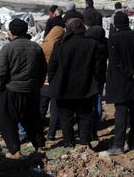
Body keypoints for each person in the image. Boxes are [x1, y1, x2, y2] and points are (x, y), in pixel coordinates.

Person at [47, 19, 104, 147]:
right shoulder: (92, 44)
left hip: (63, 87)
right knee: (84, 116)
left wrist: (53, 82)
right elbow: (98, 68)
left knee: (65, 117)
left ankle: (69, 143)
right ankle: (84, 143)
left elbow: (52, 67)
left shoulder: (60, 44)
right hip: (86, 87)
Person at [0, 19, 46, 158]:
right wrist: (37, 86)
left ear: (11, 32)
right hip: (31, 91)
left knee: (8, 122)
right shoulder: (36, 47)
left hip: (11, 91)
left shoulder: (8, 48)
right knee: (33, 121)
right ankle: (40, 147)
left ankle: (15, 151)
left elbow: (1, 71)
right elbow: (43, 70)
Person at [105, 12, 134, 156]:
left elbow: (116, 62)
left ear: (116, 24)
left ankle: (119, 144)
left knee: (121, 113)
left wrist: (129, 73)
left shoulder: (113, 39)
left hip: (121, 82)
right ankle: (133, 141)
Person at [41, 21, 65, 141]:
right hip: (56, 83)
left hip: (43, 83)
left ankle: (39, 132)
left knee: (41, 109)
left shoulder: (42, 46)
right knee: (55, 110)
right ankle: (51, 134)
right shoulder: (60, 47)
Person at [85, 24, 108, 140]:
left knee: (88, 104)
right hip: (100, 78)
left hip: (89, 79)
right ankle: (95, 128)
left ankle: (87, 129)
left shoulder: (88, 45)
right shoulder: (105, 45)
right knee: (98, 101)